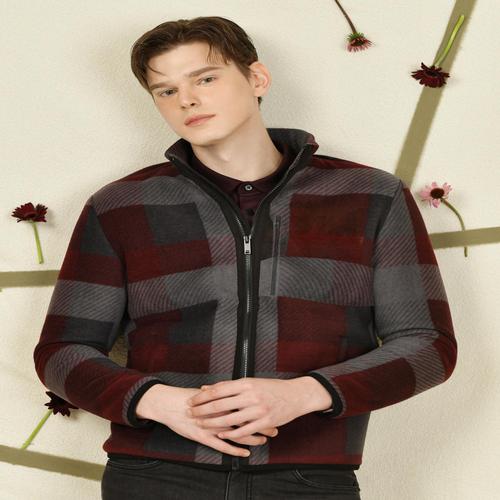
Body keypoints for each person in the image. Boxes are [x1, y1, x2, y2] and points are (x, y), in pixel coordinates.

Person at [33, 15, 458, 500]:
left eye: (205, 79)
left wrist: (303, 393)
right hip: (153, 475)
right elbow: (61, 351)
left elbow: (429, 346)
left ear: (257, 78)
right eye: (166, 90)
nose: (186, 100)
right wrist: (159, 402)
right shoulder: (120, 206)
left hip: (309, 481)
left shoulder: (371, 197)